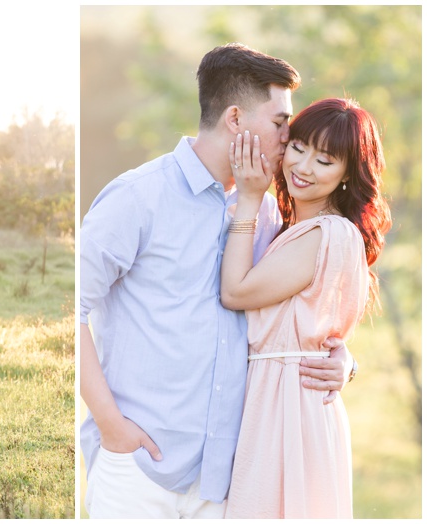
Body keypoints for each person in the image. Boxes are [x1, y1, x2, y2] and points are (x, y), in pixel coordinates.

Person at [80, 43, 356, 519]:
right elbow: (69, 307)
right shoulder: (139, 196)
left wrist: (343, 360)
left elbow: (287, 312)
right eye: (279, 123)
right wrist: (111, 426)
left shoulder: (265, 208)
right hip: (141, 468)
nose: (288, 138)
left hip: (226, 481)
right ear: (235, 119)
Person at [222, 98, 391, 518]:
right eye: (299, 148)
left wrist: (247, 199)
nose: (304, 167)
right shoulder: (295, 227)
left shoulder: (328, 232)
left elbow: (236, 293)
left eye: (325, 160)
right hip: (279, 399)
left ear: (348, 174)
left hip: (291, 409)